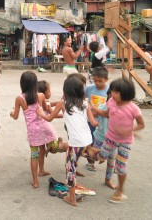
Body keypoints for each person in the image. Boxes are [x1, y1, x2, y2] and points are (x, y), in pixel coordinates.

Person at [38, 76, 98, 206]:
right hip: (87, 139)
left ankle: (72, 199)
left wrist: (40, 113)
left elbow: (49, 118)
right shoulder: (85, 103)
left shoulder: (63, 104)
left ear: (66, 91)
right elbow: (91, 120)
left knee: (69, 169)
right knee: (75, 156)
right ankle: (92, 152)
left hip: (75, 141)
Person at [90, 78, 145, 204]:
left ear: (125, 93)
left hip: (125, 142)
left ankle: (120, 190)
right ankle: (100, 150)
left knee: (121, 167)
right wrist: (94, 108)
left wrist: (130, 130)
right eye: (112, 91)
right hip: (110, 138)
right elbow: (107, 114)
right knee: (101, 157)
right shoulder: (111, 102)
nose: (111, 94)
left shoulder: (133, 108)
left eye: (115, 92)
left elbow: (141, 125)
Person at [11, 72, 65, 188]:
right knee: (48, 148)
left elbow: (15, 116)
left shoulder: (19, 99)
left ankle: (35, 181)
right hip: (44, 127)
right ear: (35, 84)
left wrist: (11, 113)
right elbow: (47, 110)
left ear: (22, 84)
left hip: (33, 132)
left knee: (34, 155)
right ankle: (42, 168)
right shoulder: (40, 96)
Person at [84, 67, 109, 172]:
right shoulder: (89, 88)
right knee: (90, 142)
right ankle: (90, 162)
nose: (97, 83)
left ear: (106, 79)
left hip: (105, 123)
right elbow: (81, 98)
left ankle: (107, 159)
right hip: (91, 121)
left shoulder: (110, 90)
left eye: (100, 81)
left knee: (105, 143)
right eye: (95, 81)